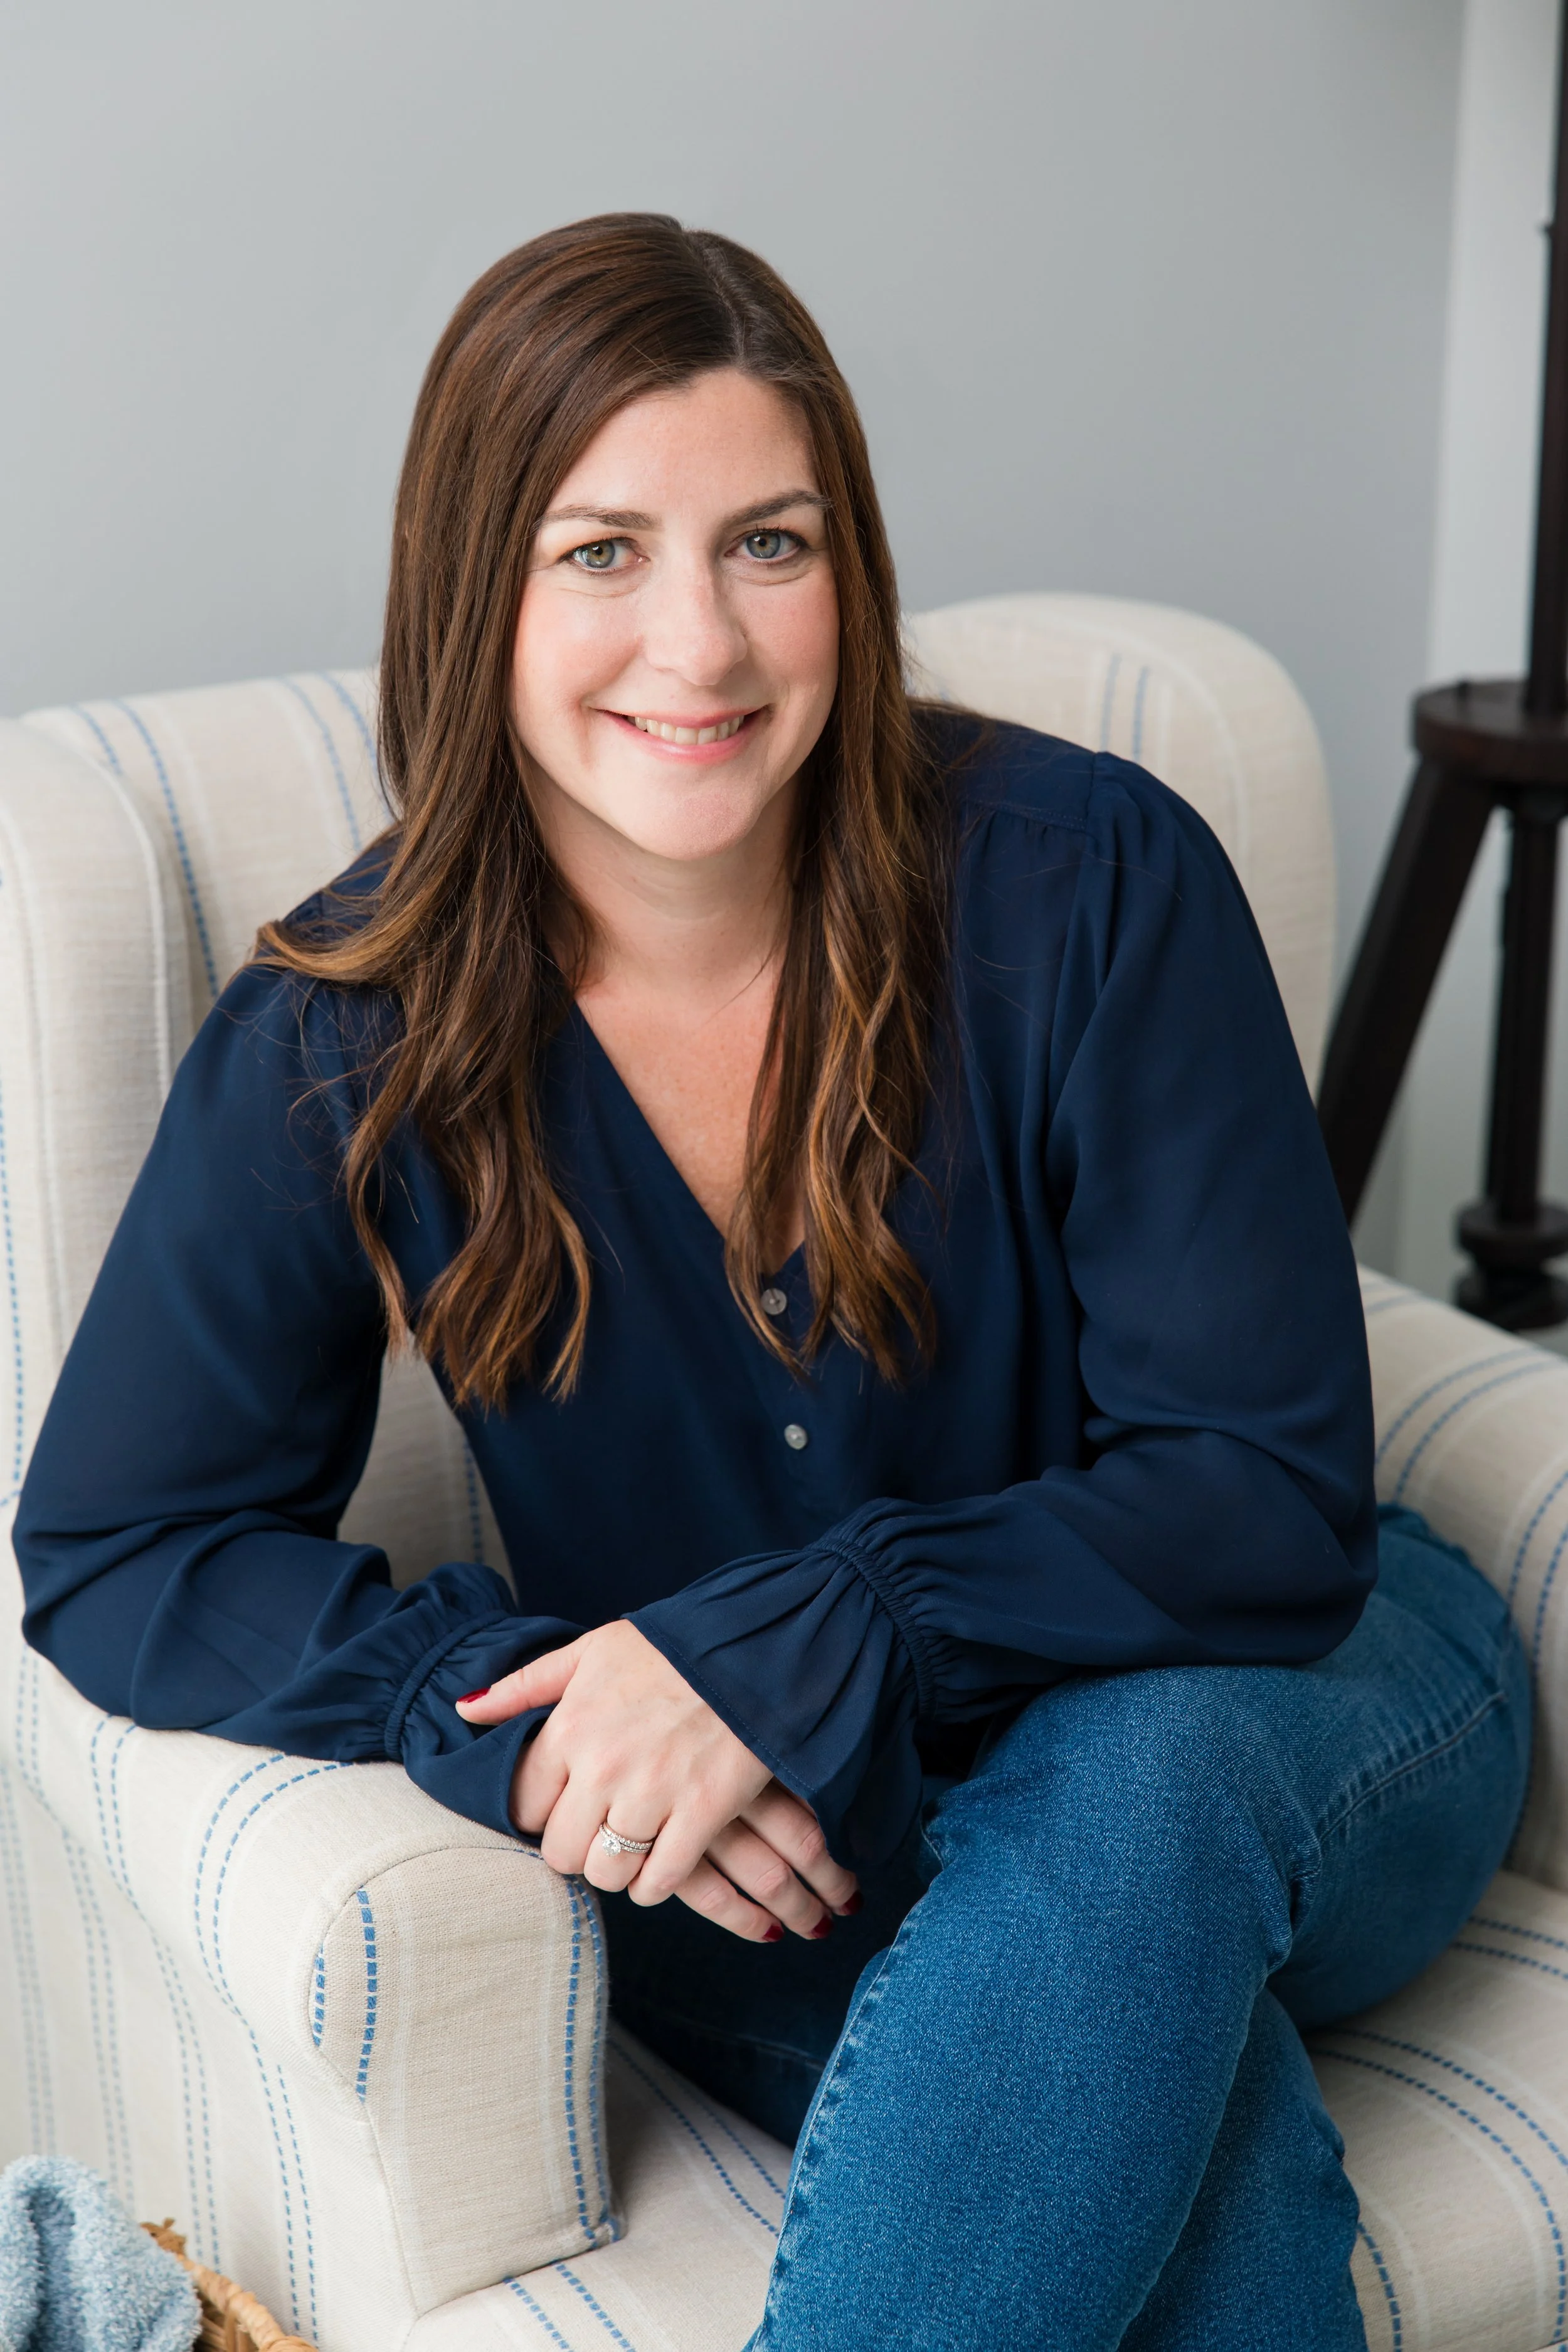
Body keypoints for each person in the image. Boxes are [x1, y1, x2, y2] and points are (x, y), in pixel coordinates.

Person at [14, 214, 1528, 2350]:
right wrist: (526, 1722)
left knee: (1140, 1780)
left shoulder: (1092, 882)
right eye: (601, 551)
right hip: (811, 1858)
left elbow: (1262, 1508)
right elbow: (112, 1544)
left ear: (853, 568)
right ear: (476, 592)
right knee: (1190, 2174)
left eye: (770, 543)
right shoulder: (345, 1031)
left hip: (1305, 1700)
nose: (701, 645)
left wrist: (815, 1622)